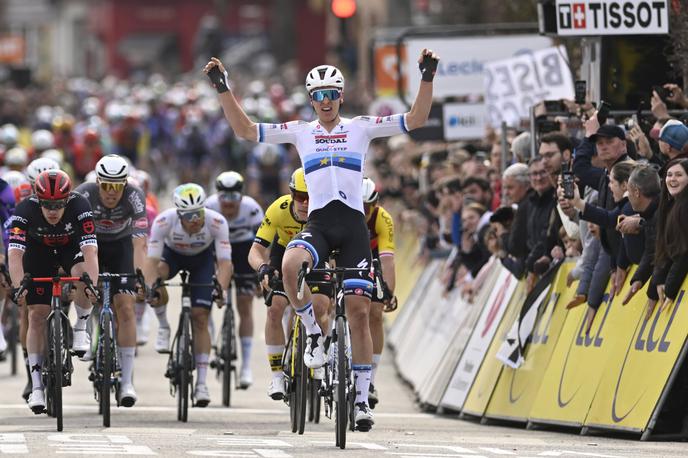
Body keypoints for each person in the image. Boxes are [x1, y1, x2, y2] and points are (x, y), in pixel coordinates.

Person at [204, 47, 438, 430]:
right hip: (320, 224)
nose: (326, 101)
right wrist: (222, 87)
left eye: (332, 94)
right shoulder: (300, 131)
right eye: (319, 95)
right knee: (290, 263)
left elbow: (417, 118)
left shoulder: (361, 126)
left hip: (352, 229)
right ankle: (313, 333)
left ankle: (362, 400)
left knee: (360, 314)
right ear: (311, 99)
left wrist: (426, 78)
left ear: (341, 96)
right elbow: (246, 131)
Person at [7, 170, 99, 413]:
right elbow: (15, 255)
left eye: (58, 204)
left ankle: (81, 328)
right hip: (38, 254)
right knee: (36, 314)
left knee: (82, 274)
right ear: (38, 200)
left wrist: (92, 285)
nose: (53, 210)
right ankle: (36, 387)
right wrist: (18, 288)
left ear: (68, 199)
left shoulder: (80, 204)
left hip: (70, 250)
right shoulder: (25, 210)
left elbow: (90, 251)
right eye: (47, 204)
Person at [144, 183, 232, 407]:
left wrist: (221, 289)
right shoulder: (164, 221)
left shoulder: (216, 222)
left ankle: (202, 384)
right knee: (157, 278)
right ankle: (163, 325)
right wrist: (150, 287)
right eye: (189, 215)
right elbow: (151, 262)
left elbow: (224, 263)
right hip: (172, 256)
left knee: (200, 316)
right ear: (179, 214)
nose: (195, 219)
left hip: (202, 259)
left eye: (198, 213)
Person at [247, 167, 331, 400]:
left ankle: (319, 349)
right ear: (291, 195)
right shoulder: (279, 208)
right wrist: (262, 267)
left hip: (318, 257)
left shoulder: (326, 210)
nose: (305, 203)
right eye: (300, 197)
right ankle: (276, 377)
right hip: (284, 254)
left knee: (321, 307)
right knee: (275, 309)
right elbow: (256, 250)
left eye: (310, 197)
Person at [74, 154, 148, 406]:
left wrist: (139, 276)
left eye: (117, 186)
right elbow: (72, 237)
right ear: (97, 182)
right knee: (84, 283)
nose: (111, 192)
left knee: (126, 308)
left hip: (121, 247)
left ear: (125, 184)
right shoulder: (84, 194)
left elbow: (140, 243)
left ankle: (127, 381)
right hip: (89, 244)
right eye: (106, 185)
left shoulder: (135, 196)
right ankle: (81, 330)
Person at [205, 171, 264, 388]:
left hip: (243, 252)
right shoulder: (209, 206)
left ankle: (246, 366)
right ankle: (210, 342)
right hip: (216, 251)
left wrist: (260, 275)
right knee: (205, 297)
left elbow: (263, 245)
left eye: (234, 198)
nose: (229, 204)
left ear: (241, 196)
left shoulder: (253, 209)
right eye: (224, 198)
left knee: (245, 304)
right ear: (218, 196)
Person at [362, 177, 396, 410]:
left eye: (368, 208)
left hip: (371, 256)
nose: (364, 212)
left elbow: (387, 261)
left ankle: (370, 381)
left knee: (375, 312)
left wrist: (388, 293)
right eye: (359, 207)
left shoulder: (382, 218)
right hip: (342, 250)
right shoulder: (341, 211)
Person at [653, 158, 688, 315]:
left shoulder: (685, 207)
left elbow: (683, 253)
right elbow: (666, 249)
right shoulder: (671, 206)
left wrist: (671, 288)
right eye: (669, 174)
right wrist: (660, 278)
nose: (672, 179)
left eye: (679, 175)